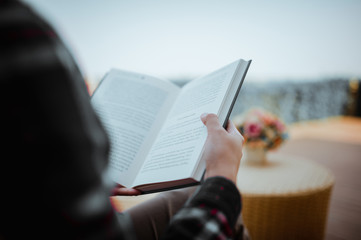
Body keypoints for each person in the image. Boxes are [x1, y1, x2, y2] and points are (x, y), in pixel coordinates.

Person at [0, 0, 247, 239]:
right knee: (219, 202)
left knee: (190, 196)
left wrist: (90, 181)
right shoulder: (16, 32)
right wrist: (222, 173)